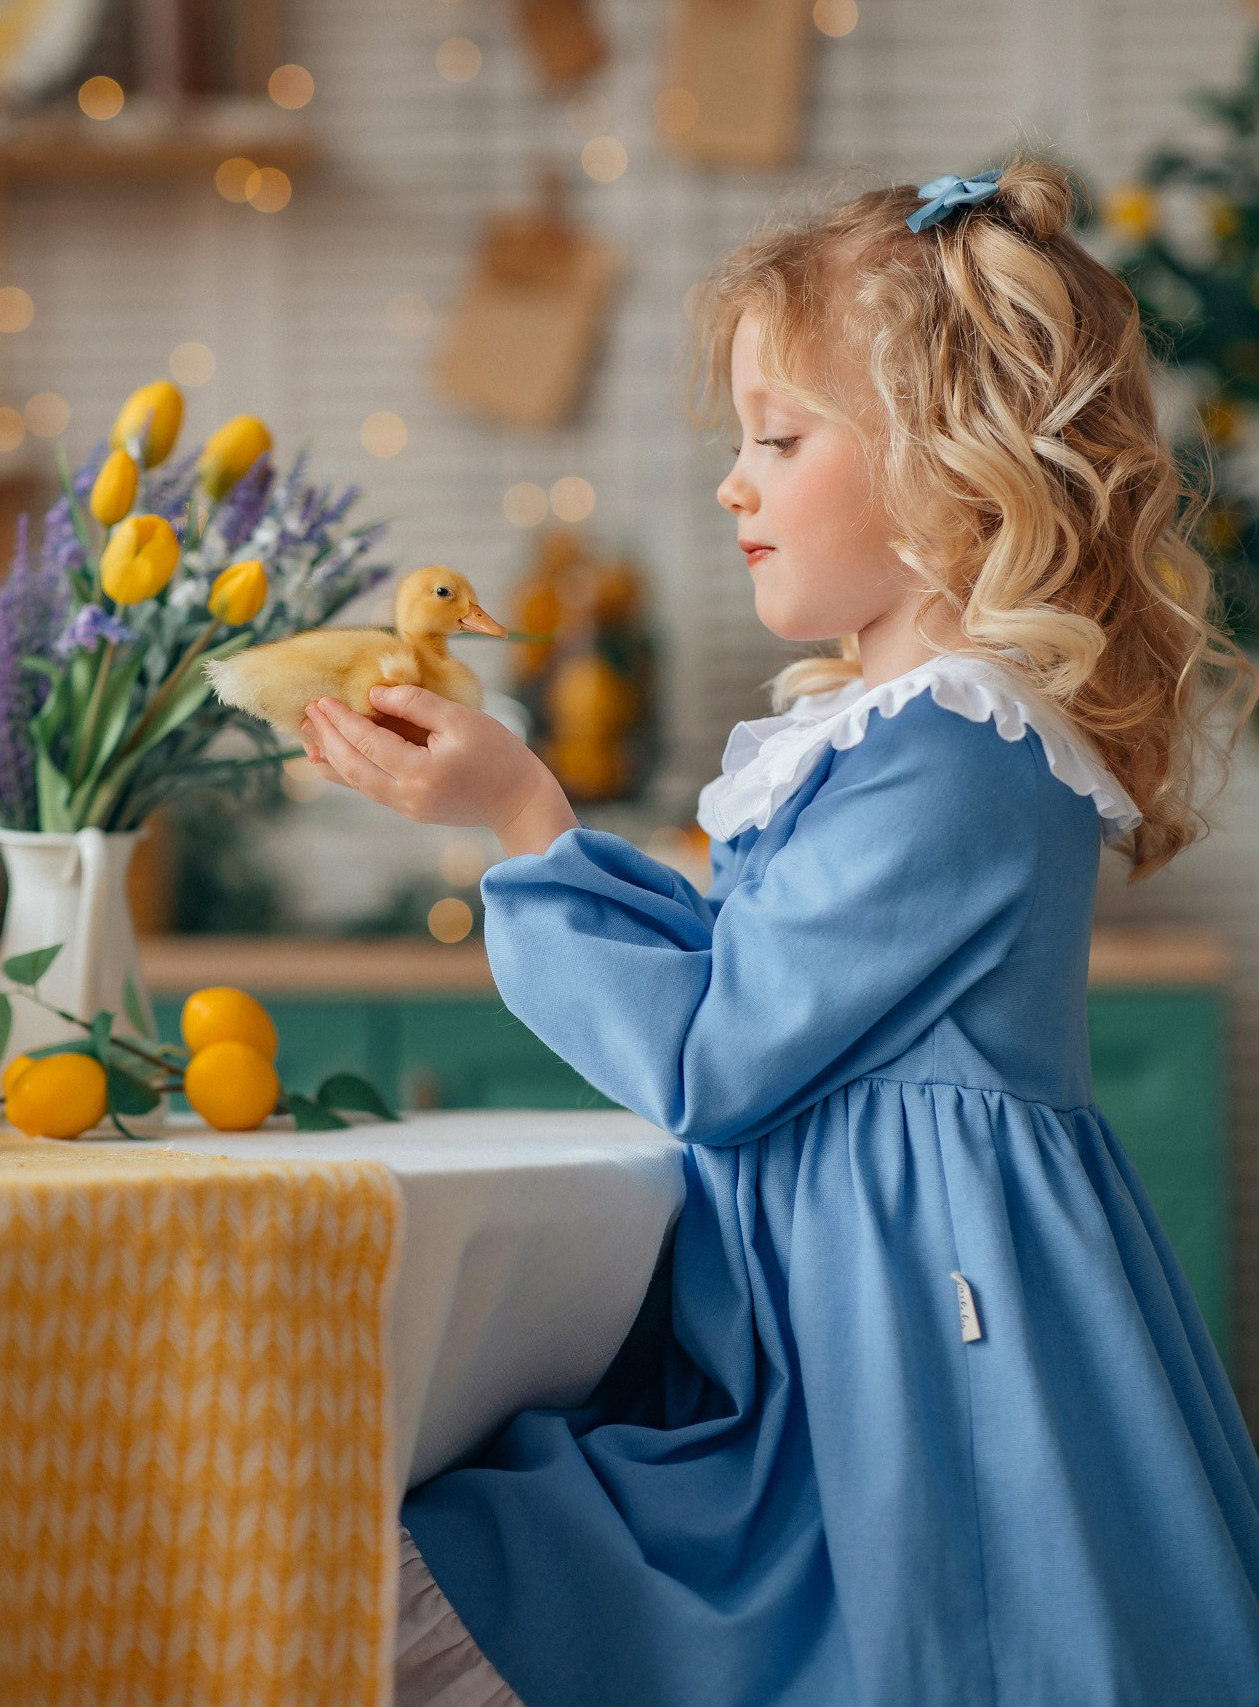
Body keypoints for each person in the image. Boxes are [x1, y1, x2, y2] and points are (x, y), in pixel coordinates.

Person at [300, 158, 1259, 1707]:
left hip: (911, 1350)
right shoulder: (897, 737)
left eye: (779, 439)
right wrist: (523, 825)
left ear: (950, 469)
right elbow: (743, 964)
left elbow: (715, 1051)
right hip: (831, 1308)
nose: (732, 484)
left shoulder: (958, 751)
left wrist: (531, 831)